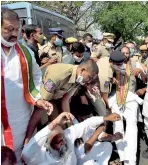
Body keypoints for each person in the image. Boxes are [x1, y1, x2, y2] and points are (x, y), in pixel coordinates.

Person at [1, 8, 53, 164]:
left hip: (22, 116)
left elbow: (37, 76)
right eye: (9, 29)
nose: (14, 34)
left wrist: (38, 98)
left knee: (20, 154)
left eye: (17, 30)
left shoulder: (26, 53)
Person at [22, 112, 121, 165]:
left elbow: (86, 124)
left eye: (63, 138)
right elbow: (26, 152)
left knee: (106, 148)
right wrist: (53, 123)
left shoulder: (66, 135)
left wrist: (105, 118)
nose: (64, 141)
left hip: (78, 161)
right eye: (59, 141)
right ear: (48, 143)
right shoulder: (38, 156)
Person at [108, 51, 143, 165]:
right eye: (122, 52)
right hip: (115, 98)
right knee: (117, 124)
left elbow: (147, 80)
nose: (124, 54)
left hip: (131, 98)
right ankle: (122, 155)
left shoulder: (135, 64)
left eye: (127, 53)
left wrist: (141, 72)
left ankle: (131, 159)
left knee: (131, 125)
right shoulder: (112, 65)